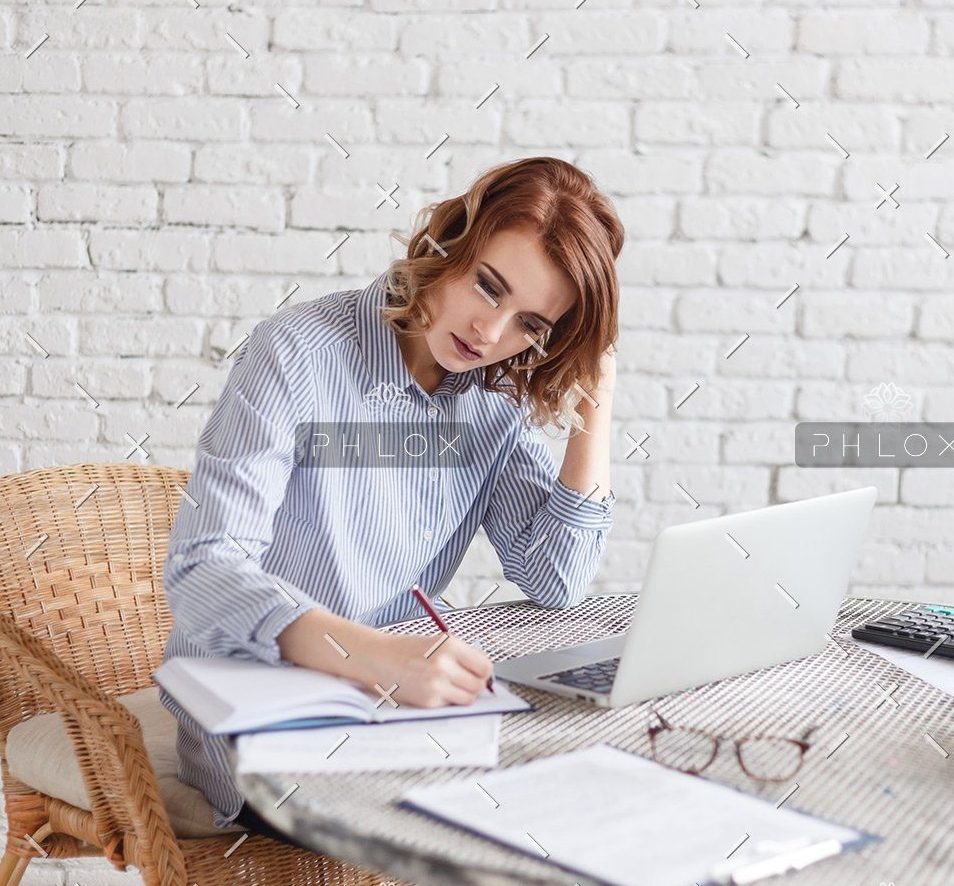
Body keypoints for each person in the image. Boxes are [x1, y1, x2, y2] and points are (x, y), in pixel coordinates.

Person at [159, 156, 624, 840]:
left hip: (399, 710)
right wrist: (371, 656)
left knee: (577, 788)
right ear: (448, 247)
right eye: (488, 286)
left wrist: (598, 397)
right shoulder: (296, 353)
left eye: (531, 324)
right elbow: (202, 571)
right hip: (257, 717)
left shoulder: (492, 400)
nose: (491, 333)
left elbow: (556, 577)